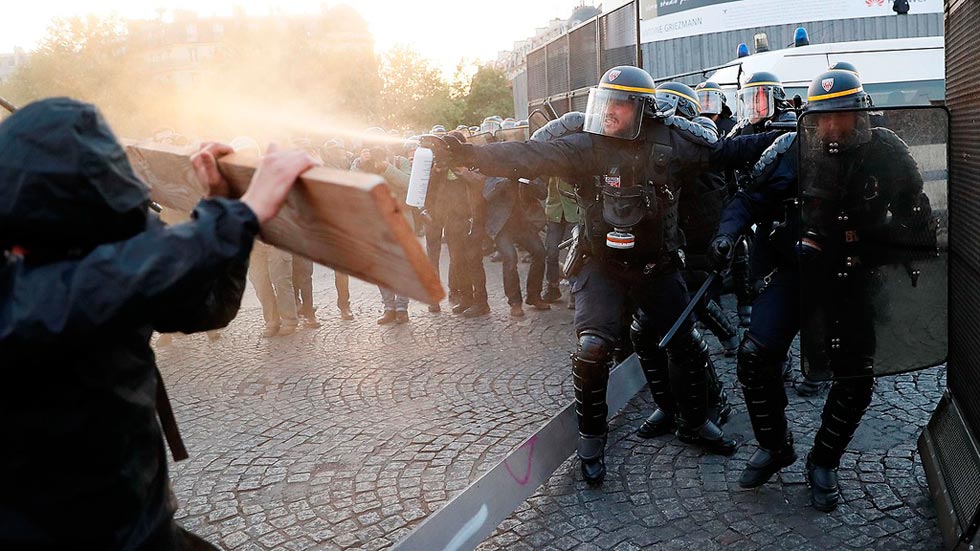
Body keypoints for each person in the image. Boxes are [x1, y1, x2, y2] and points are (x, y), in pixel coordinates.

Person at [425, 66, 778, 485]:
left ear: (643, 109)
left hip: (657, 266)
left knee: (684, 344)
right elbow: (528, 156)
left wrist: (792, 134)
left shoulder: (673, 142)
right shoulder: (587, 146)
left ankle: (695, 419)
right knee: (593, 349)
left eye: (620, 105)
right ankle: (591, 439)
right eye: (605, 103)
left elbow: (726, 153)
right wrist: (467, 154)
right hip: (600, 264)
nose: (609, 113)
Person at [0, 97, 316, 550]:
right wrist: (239, 214)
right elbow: (81, 292)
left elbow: (207, 308)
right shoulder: (40, 289)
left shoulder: (108, 265)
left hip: (140, 526)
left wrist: (220, 202)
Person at [709, 69, 933, 511]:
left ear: (860, 113)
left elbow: (916, 206)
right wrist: (726, 234)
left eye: (842, 117)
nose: (832, 127)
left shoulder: (887, 151)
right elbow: (749, 198)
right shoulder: (793, 148)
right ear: (811, 118)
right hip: (797, 271)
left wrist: (905, 245)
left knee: (856, 377)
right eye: (824, 118)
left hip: (853, 273)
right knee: (755, 357)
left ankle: (824, 460)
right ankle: (776, 445)